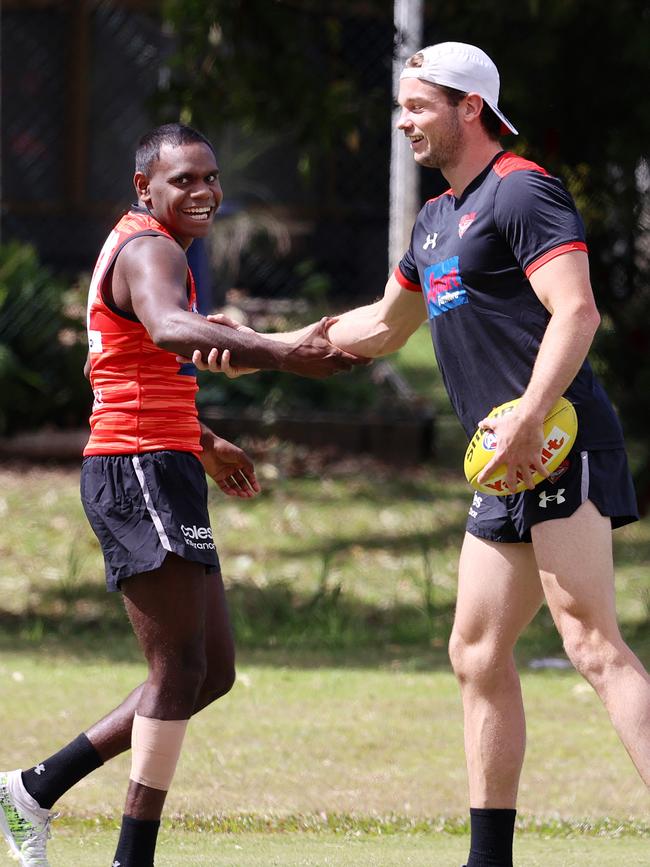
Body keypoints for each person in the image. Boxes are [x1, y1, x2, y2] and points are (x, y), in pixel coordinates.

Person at [196, 43, 650, 867]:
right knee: (474, 651)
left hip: (561, 441)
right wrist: (259, 345)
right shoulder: (439, 217)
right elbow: (380, 327)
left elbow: (575, 313)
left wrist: (532, 415)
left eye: (417, 106)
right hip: (502, 463)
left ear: (468, 107)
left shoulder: (524, 190)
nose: (402, 120)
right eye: (401, 107)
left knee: (592, 644)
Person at [0, 122, 365, 867]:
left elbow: (133, 364)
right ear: (145, 188)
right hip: (136, 468)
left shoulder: (158, 248)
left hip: (162, 461)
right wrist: (288, 355)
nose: (203, 192)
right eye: (183, 180)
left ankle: (32, 788)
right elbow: (167, 329)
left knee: (211, 670)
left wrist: (202, 439)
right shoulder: (149, 248)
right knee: (178, 673)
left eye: (210, 177)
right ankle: (131, 857)